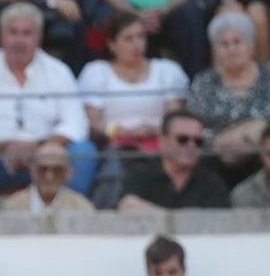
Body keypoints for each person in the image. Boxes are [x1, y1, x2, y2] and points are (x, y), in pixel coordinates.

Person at [0, 1, 94, 194]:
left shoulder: (59, 72)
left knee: (83, 151)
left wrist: (39, 147)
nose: (19, 40)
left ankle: (70, 217)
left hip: (47, 159)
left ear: (39, 38)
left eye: (27, 33)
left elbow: (75, 124)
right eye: (13, 32)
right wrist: (3, 148)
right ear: (1, 36)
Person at [189, 11, 270, 179]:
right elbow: (192, 131)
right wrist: (231, 139)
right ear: (215, 51)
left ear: (251, 46)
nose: (231, 49)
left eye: (237, 42)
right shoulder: (203, 83)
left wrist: (265, 129)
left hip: (267, 160)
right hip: (217, 162)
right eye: (224, 44)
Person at [79, 11, 188, 204]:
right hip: (114, 145)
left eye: (141, 37)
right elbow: (94, 121)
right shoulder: (97, 72)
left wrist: (152, 130)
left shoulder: (166, 71)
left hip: (159, 145)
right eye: (129, 38)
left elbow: (175, 119)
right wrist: (121, 132)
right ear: (112, 44)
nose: (137, 44)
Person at [119, 108, 231, 208]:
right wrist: (173, 223)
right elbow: (128, 205)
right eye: (182, 139)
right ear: (162, 141)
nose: (191, 146)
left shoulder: (212, 183)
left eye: (198, 141)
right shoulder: (140, 173)